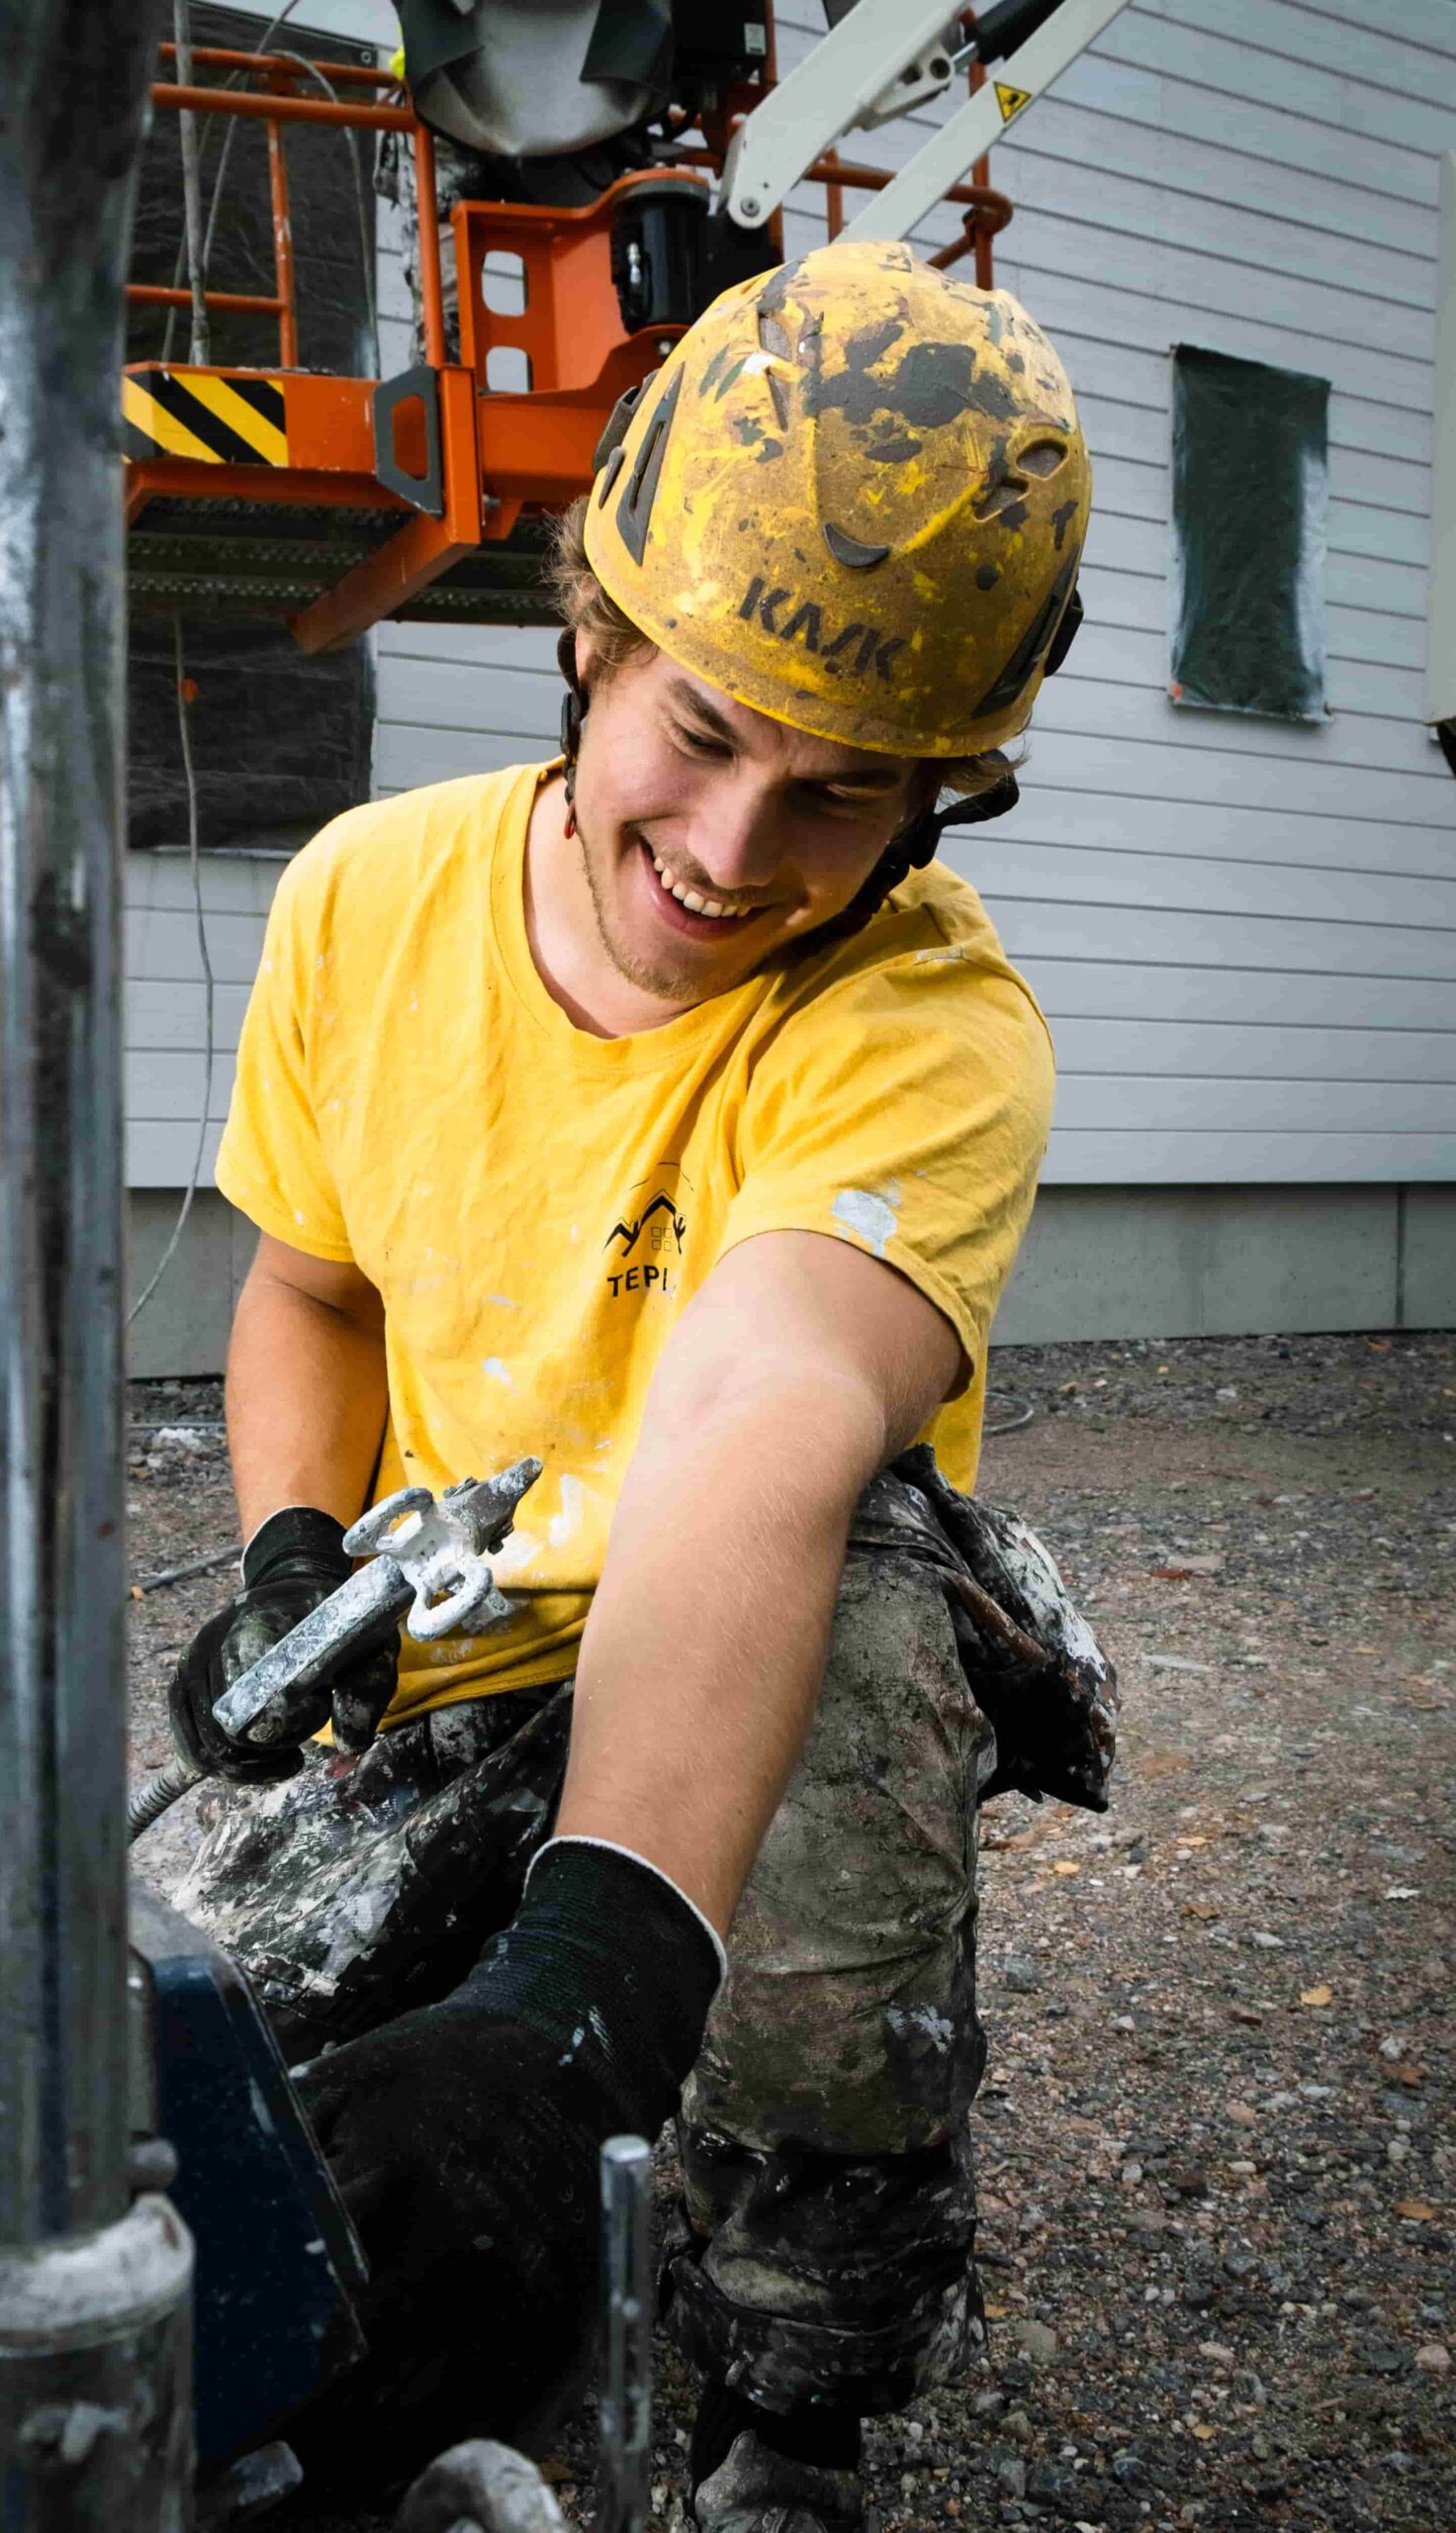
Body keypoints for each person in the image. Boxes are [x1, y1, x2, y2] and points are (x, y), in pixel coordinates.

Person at [162, 237, 1116, 2526]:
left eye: (835, 797)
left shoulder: (926, 1032)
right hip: (456, 1646)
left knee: (876, 1620)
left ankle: (796, 2388)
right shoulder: (364, 900)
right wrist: (301, 1552)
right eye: (695, 733)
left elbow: (760, 1418)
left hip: (754, 1616)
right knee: (216, 2130)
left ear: (936, 796)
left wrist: (590, 1980)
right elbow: (307, 1290)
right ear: (583, 640)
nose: (726, 851)